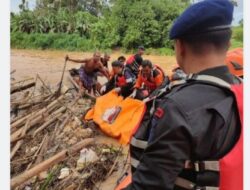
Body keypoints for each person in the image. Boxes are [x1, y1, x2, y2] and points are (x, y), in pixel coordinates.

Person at [121, 1, 243, 190]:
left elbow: (148, 186)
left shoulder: (177, 107)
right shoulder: (243, 90)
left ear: (180, 46)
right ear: (227, 44)